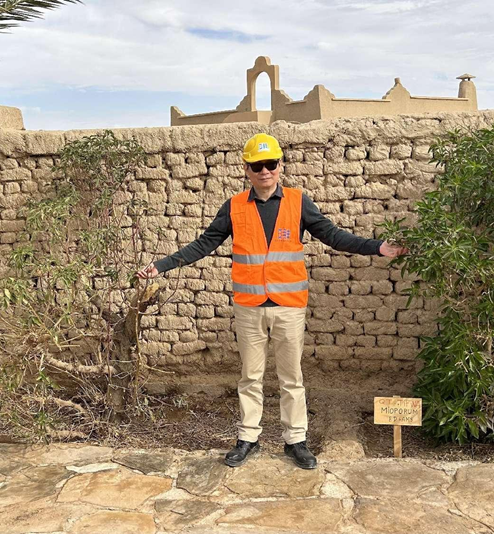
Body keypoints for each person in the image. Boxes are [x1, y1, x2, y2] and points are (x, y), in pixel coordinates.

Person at [137, 133, 408, 469]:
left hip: (288, 306)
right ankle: (248, 438)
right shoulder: (234, 207)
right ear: (247, 170)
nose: (265, 170)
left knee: (291, 378)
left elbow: (333, 236)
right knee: (250, 377)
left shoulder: (298, 202)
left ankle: (295, 441)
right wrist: (162, 265)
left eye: (270, 164)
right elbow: (204, 244)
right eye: (257, 165)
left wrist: (376, 247)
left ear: (280, 165)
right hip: (249, 308)